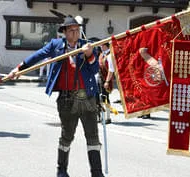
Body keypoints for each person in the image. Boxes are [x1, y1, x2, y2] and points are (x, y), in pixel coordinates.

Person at [8, 15, 105, 177]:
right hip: (66, 99)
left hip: (87, 98)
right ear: (65, 32)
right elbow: (37, 56)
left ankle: (97, 173)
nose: (75, 33)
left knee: (93, 137)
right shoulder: (56, 45)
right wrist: (18, 69)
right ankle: (61, 170)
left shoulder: (88, 46)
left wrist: (89, 55)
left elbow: (95, 69)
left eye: (77, 30)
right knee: (67, 136)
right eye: (72, 30)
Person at [98, 42, 114, 124]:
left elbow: (111, 70)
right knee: (99, 99)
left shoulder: (110, 55)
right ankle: (101, 116)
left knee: (105, 98)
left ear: (106, 46)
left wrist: (107, 81)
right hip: (100, 78)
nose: (101, 46)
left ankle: (108, 117)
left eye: (102, 45)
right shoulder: (101, 55)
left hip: (106, 79)